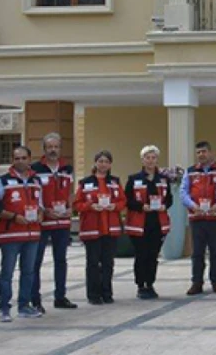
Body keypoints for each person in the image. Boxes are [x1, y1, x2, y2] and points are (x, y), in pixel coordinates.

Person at [0, 145, 44, 322]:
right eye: (17, 158)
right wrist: (14, 217)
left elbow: (41, 204)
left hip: (32, 235)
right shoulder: (2, 181)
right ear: (12, 161)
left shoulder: (36, 181)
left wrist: (39, 213)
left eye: (24, 158)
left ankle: (24, 306)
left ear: (30, 159)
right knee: (7, 272)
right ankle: (4, 308)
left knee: (29, 272)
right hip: (11, 235)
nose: (20, 161)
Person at [30, 132, 76, 312]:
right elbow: (33, 194)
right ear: (44, 149)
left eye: (56, 147)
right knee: (36, 261)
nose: (53, 150)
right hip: (43, 221)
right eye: (49, 147)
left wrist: (71, 208)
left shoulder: (67, 168)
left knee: (61, 260)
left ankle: (60, 296)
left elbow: (70, 192)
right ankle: (35, 299)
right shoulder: (35, 169)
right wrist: (44, 210)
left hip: (62, 222)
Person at [76, 150, 125, 306]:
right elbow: (77, 204)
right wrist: (91, 206)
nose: (103, 164)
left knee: (108, 263)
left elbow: (123, 201)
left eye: (106, 161)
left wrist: (115, 206)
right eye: (100, 161)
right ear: (95, 163)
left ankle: (107, 292)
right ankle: (93, 294)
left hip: (110, 229)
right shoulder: (85, 183)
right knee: (93, 263)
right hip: (92, 229)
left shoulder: (115, 182)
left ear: (110, 164)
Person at [125, 145, 173, 300]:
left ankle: (150, 283)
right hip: (140, 224)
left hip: (157, 223)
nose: (151, 161)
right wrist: (141, 206)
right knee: (141, 255)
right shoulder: (134, 179)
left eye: (153, 158)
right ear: (142, 160)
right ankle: (141, 285)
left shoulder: (164, 179)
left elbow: (169, 198)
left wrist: (165, 205)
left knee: (153, 255)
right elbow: (128, 200)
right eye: (148, 157)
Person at [181, 141, 216, 295]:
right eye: (198, 152)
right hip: (197, 218)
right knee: (197, 253)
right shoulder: (190, 171)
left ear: (211, 153)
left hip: (215, 218)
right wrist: (193, 206)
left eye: (204, 151)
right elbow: (183, 192)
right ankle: (196, 283)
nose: (201, 155)